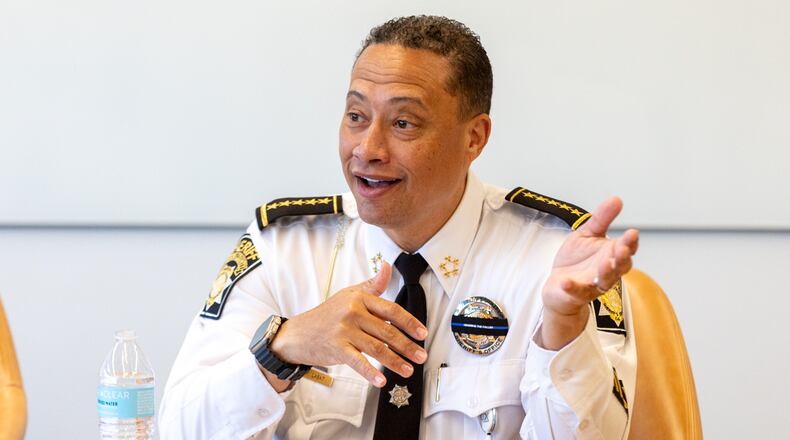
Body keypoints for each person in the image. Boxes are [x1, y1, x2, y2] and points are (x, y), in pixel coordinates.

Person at [159, 15, 639, 439]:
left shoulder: (553, 257)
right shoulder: (286, 247)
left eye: (403, 123)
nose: (367, 148)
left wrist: (562, 322)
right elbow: (179, 429)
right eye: (356, 116)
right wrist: (284, 346)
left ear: (474, 137)